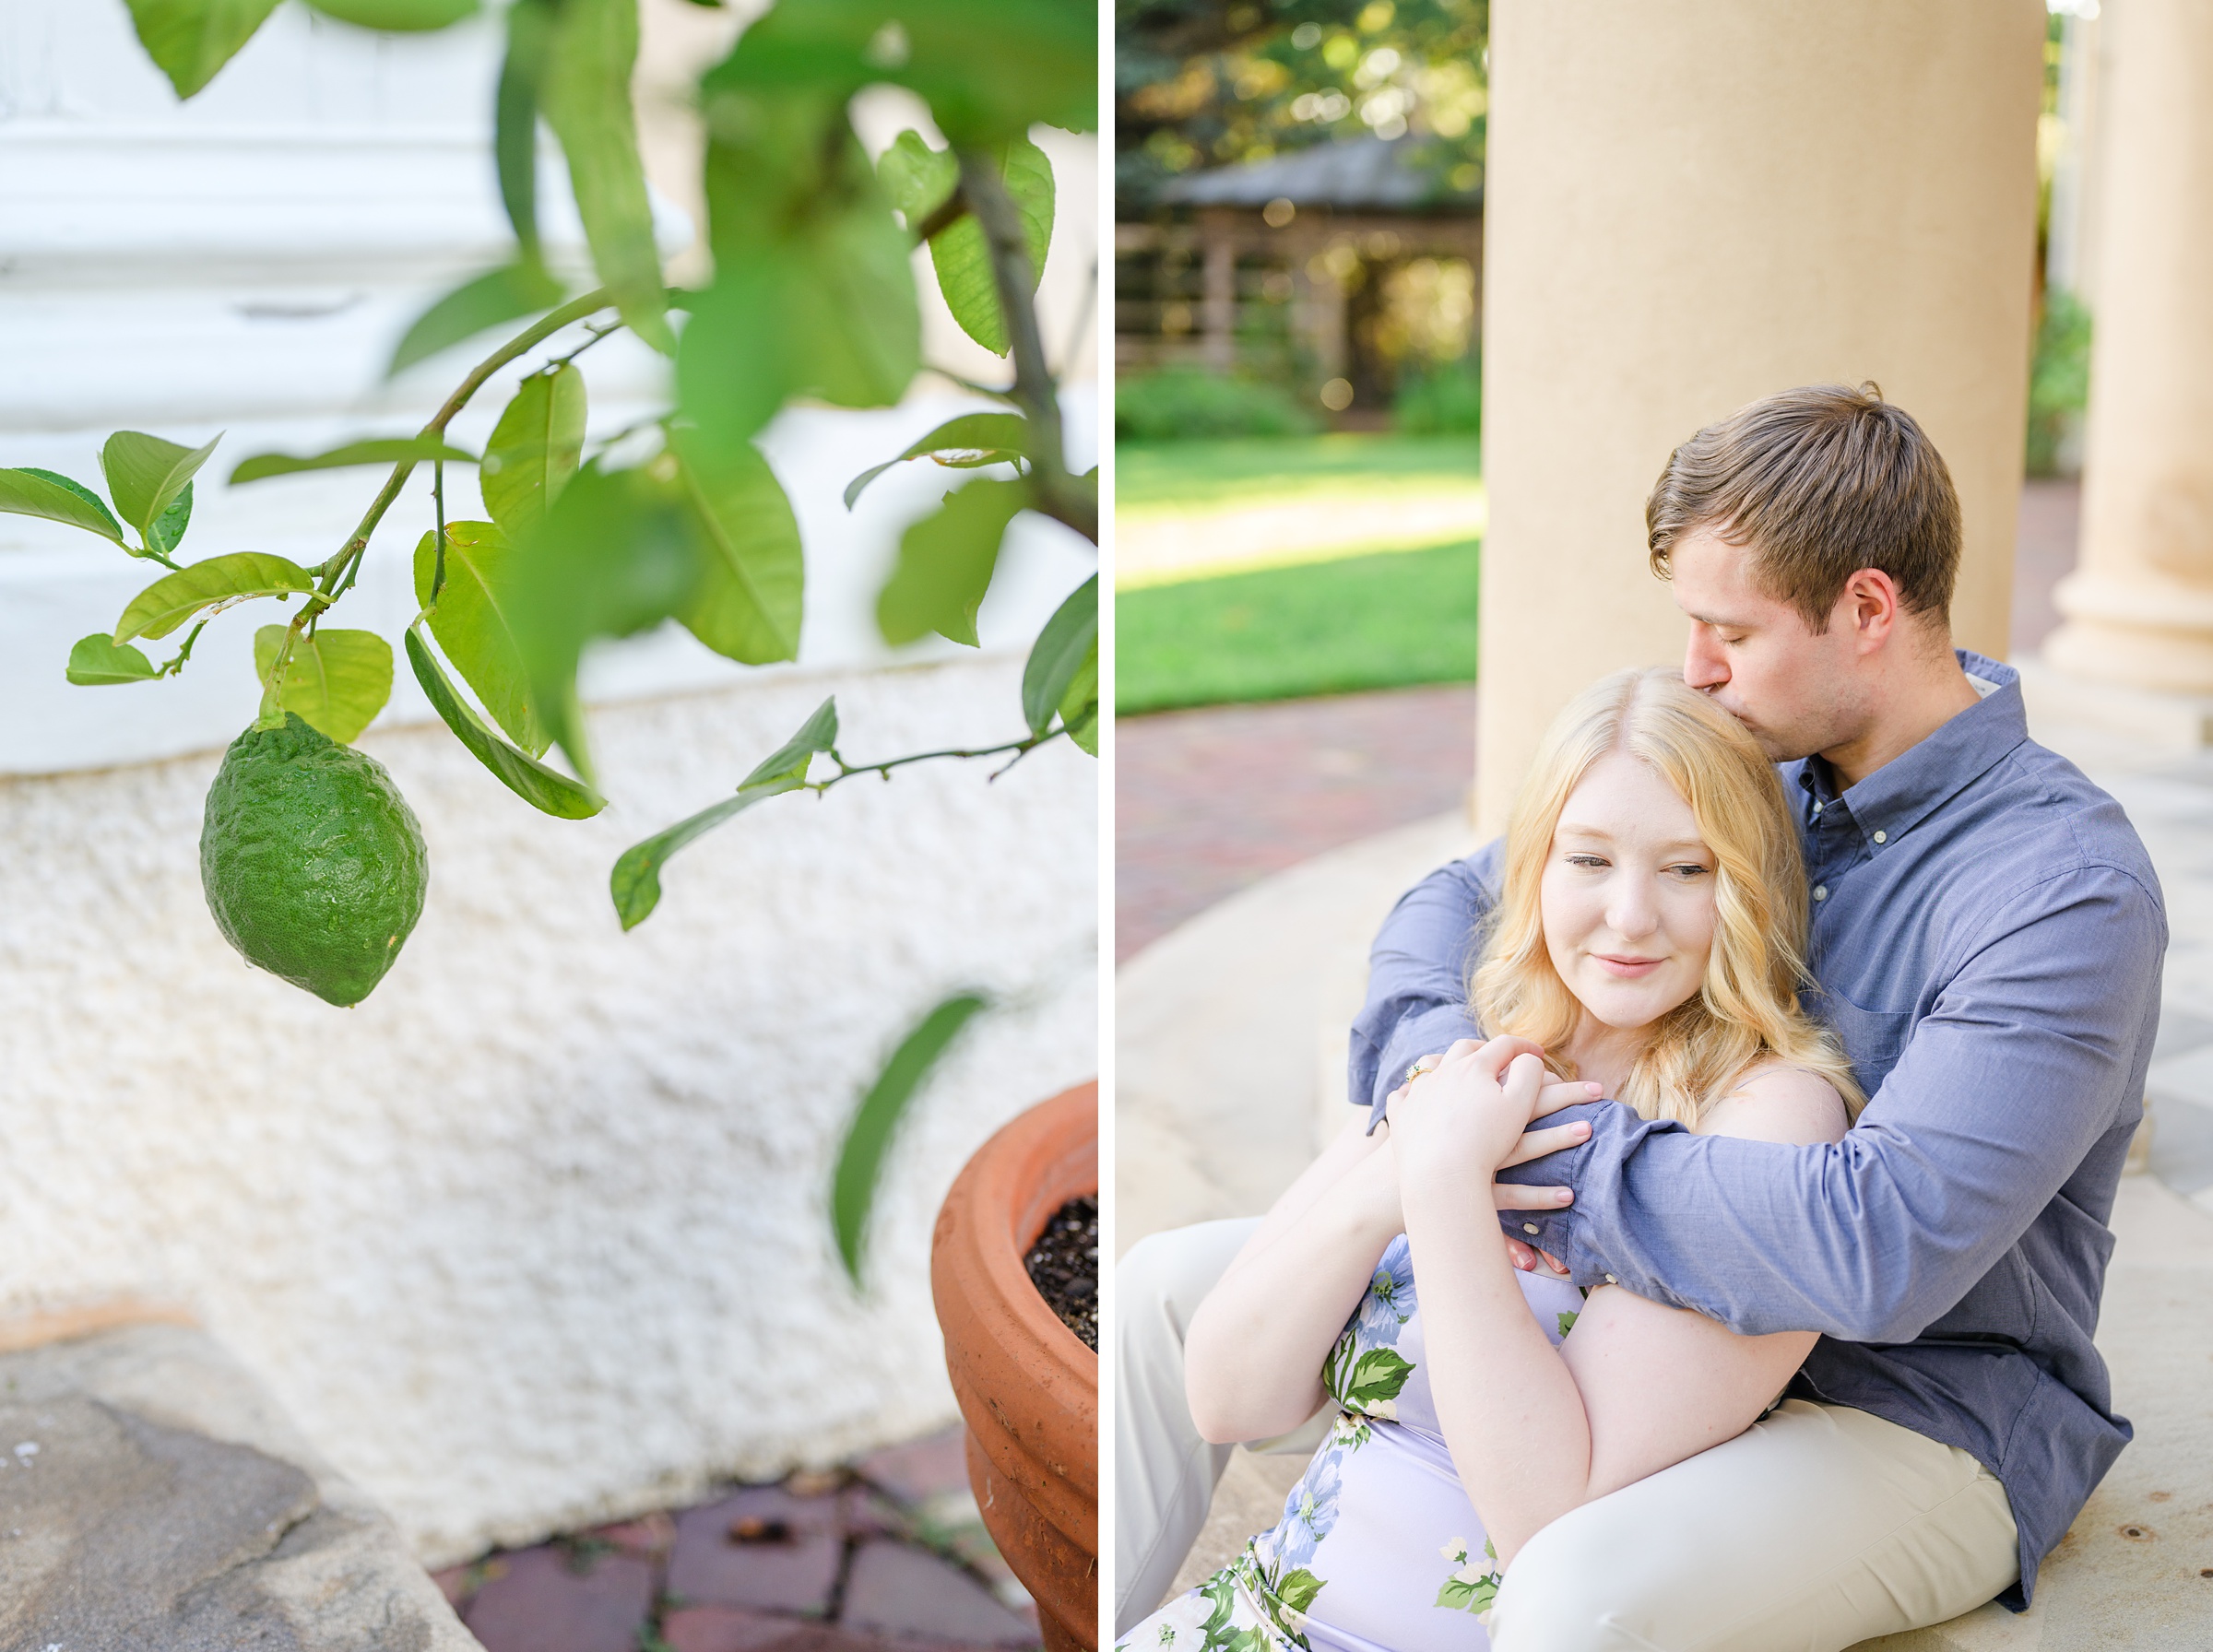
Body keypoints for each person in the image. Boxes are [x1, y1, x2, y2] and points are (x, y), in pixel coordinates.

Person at [1116, 384, 2166, 1651]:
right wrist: (1438, 1094)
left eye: (1729, 630)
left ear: (1868, 611)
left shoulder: (2056, 889)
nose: (1696, 669)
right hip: (1645, 1319)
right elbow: (1459, 902)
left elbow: (1881, 1246)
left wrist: (1509, 1159)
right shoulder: (1750, 752)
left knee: (1577, 1591)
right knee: (1167, 1293)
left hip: (1909, 1402)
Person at [1122, 667, 1872, 1652]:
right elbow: (1228, 1395)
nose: (1631, 914)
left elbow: (1542, 1512)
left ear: (1747, 888)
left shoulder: (1764, 1118)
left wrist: (1441, 1192)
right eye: (1589, 859)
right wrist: (1392, 1178)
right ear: (1535, 868)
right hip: (1252, 1622)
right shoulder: (1488, 1051)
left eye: (1688, 869)